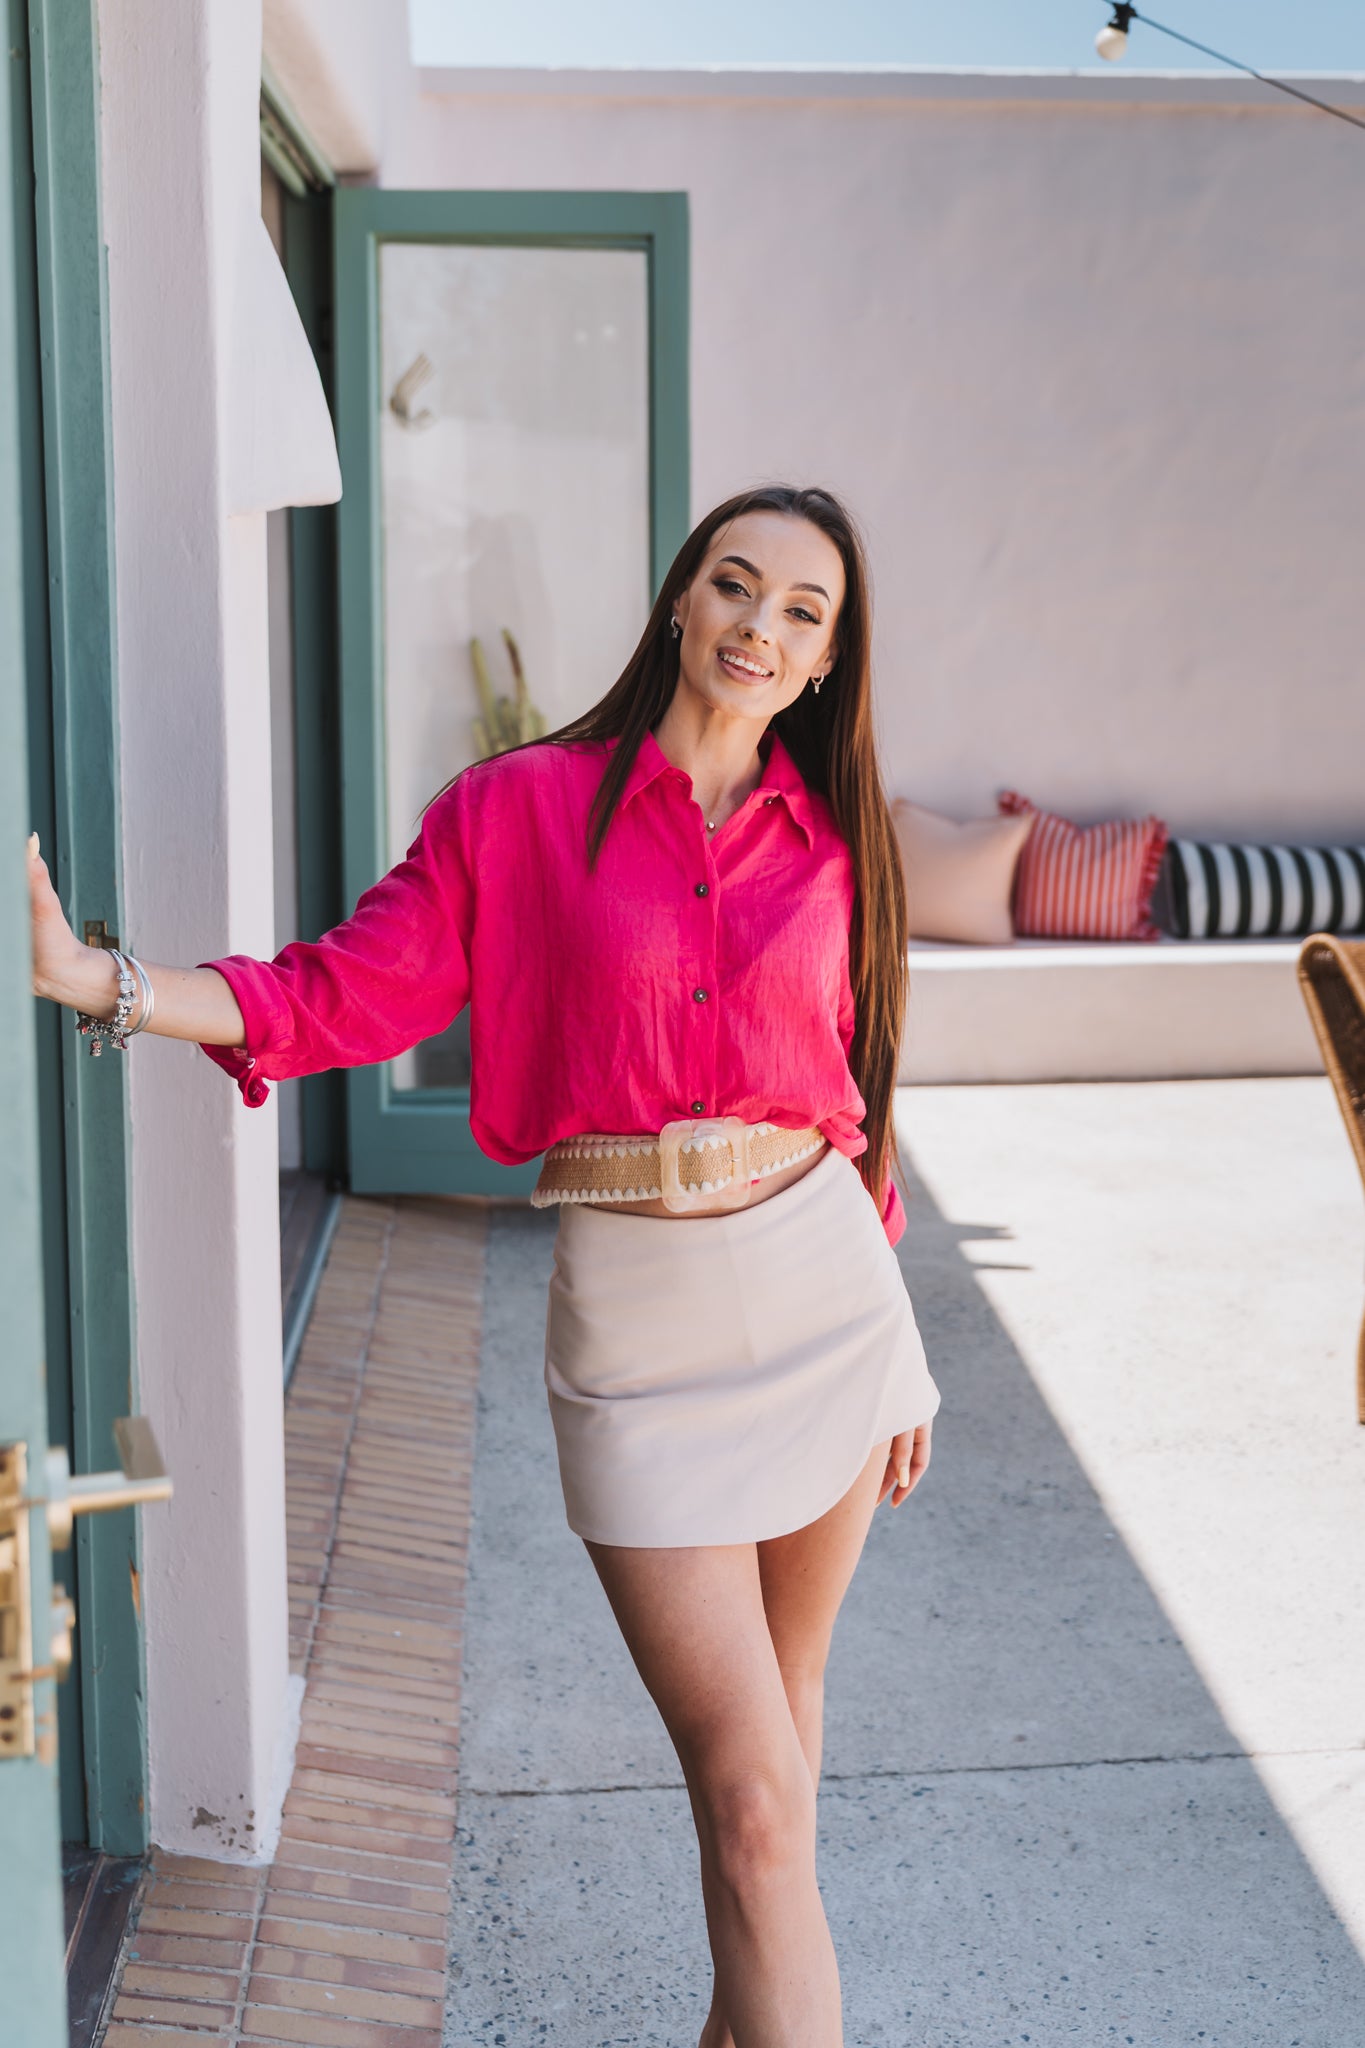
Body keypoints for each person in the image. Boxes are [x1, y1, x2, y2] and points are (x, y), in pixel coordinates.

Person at [29, 481, 939, 2047]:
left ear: (827, 661)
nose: (760, 627)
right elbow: (337, 996)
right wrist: (101, 981)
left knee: (770, 1797)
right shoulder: (517, 813)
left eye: (804, 613)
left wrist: (898, 1329)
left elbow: (859, 1094)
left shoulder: (840, 836)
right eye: (737, 586)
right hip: (640, 1334)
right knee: (751, 1797)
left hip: (826, 1304)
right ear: (677, 601)